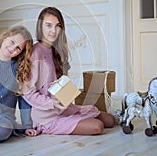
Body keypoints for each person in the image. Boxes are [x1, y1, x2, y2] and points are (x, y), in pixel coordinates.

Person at [22, 7, 115, 135]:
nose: (53, 31)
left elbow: (57, 82)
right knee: (97, 127)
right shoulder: (35, 53)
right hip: (47, 116)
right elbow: (27, 93)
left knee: (110, 120)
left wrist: (66, 93)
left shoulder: (57, 50)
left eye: (57, 26)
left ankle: (75, 118)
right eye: (48, 25)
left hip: (64, 108)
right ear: (40, 26)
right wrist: (52, 103)